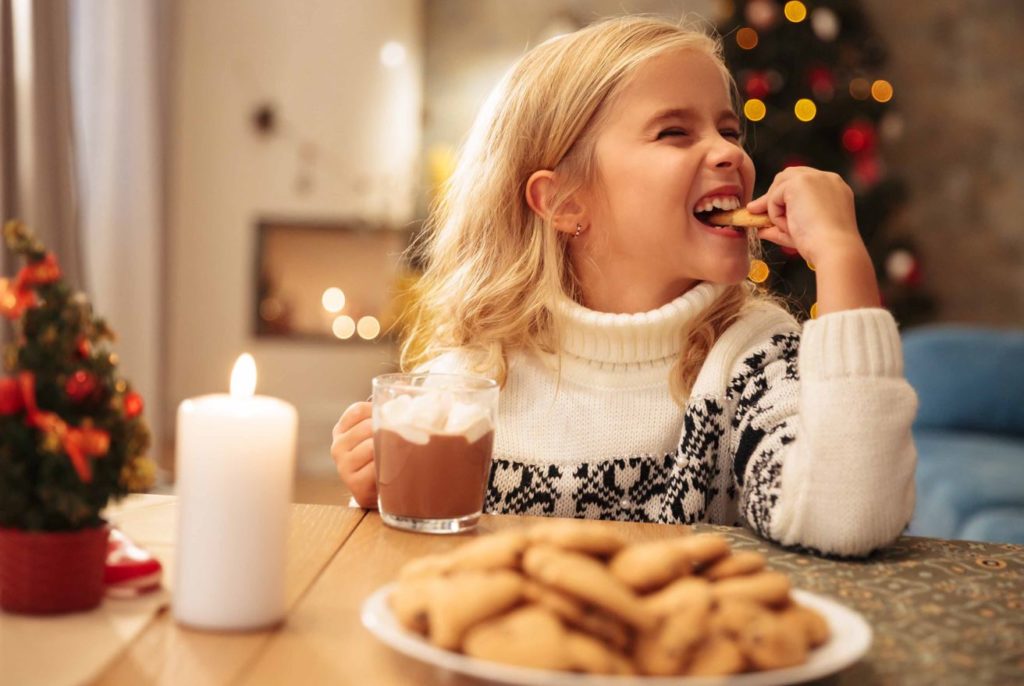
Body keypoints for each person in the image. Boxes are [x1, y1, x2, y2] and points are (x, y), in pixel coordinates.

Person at [331, 16, 917, 557]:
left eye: (729, 129)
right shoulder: (473, 378)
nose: (729, 153)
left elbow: (850, 516)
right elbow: (435, 558)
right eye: (674, 132)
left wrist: (841, 256)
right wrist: (384, 489)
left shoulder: (749, 358)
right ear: (563, 201)